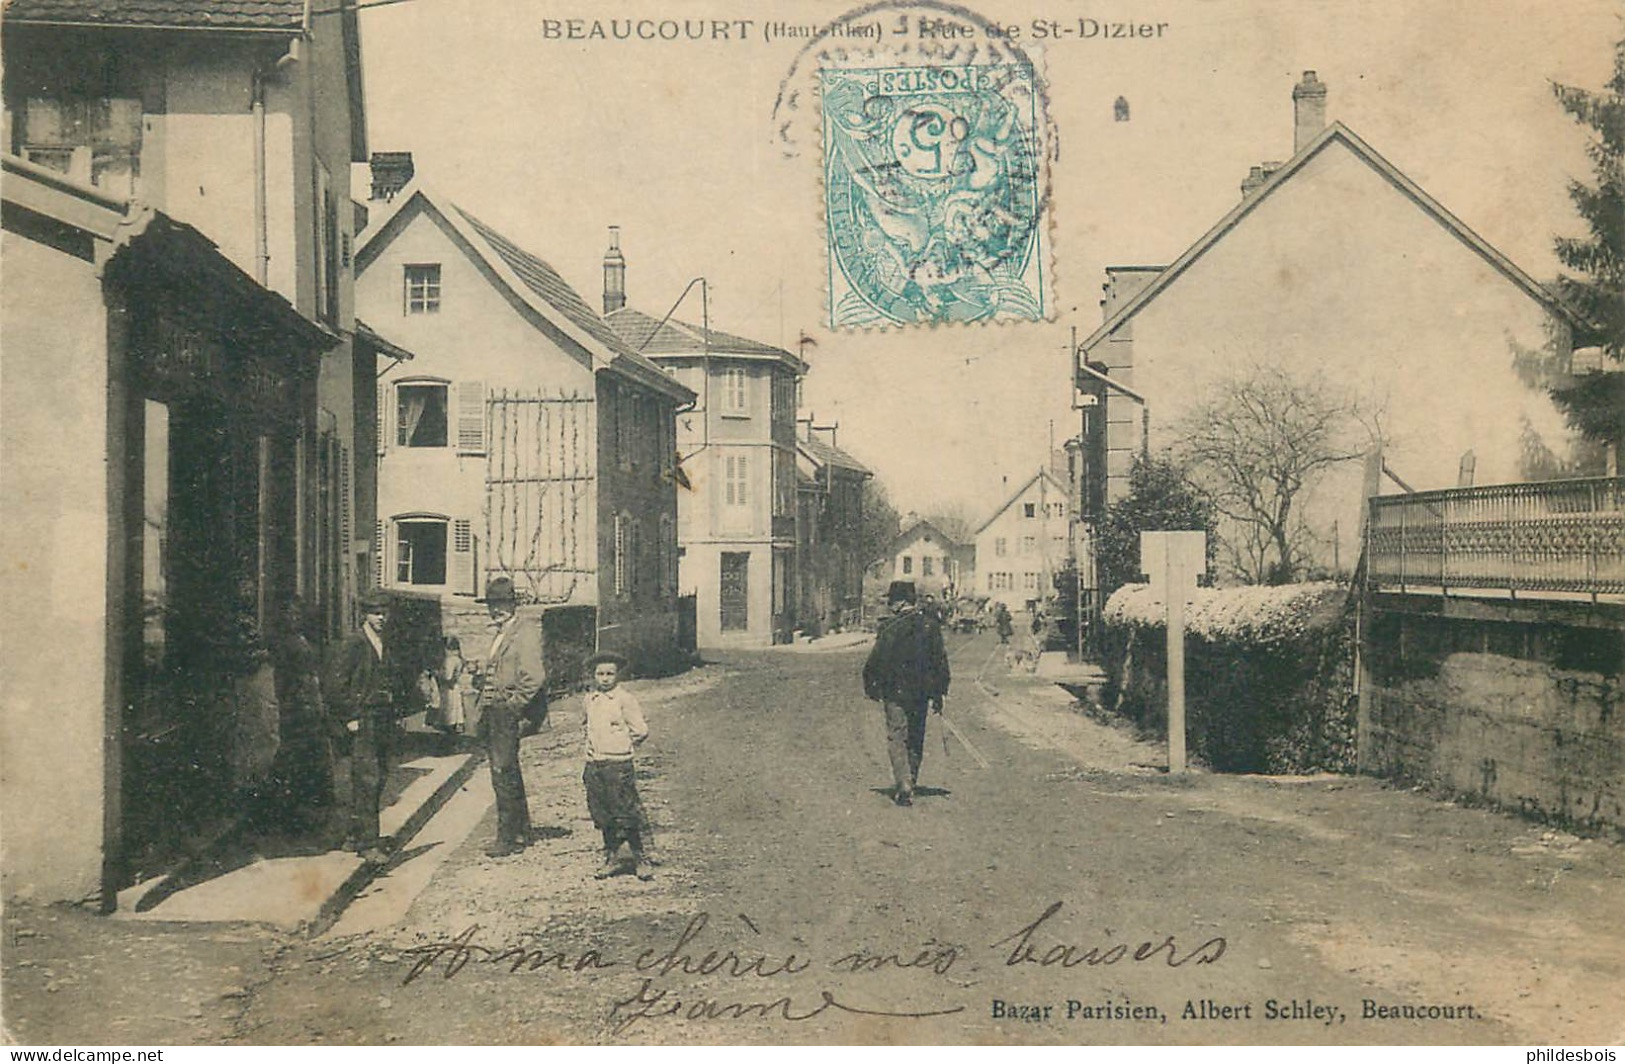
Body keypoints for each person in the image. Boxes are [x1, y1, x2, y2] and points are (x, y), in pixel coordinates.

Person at [475, 575, 548, 858]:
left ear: (513, 604)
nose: (497, 609)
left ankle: (507, 838)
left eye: (503, 603)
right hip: (493, 710)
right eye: (493, 604)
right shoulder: (500, 633)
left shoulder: (524, 632)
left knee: (503, 772)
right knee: (507, 771)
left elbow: (534, 677)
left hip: (506, 711)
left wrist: (514, 706)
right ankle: (521, 831)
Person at [862, 582, 950, 807]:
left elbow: (876, 660)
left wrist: (871, 685)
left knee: (896, 735)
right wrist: (939, 692)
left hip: (894, 692)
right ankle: (911, 778)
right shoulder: (930, 626)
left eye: (892, 601)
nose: (890, 605)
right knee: (915, 736)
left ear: (900, 602)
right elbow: (939, 661)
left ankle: (903, 783)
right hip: (920, 692)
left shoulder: (890, 627)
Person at [324, 589, 395, 861]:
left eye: (385, 613)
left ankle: (354, 836)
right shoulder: (354, 643)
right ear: (365, 614)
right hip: (363, 720)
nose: (381, 618)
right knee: (367, 778)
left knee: (379, 777)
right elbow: (335, 687)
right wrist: (351, 717)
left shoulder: (383, 642)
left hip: (382, 719)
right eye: (376, 613)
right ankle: (368, 845)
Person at [580, 651, 652, 880]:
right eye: (600, 674)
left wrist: (621, 745)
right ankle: (612, 858)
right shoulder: (590, 699)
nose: (605, 678)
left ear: (617, 675)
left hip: (618, 764)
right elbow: (589, 727)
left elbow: (640, 730)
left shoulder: (624, 699)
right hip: (595, 762)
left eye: (610, 673)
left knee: (626, 812)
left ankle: (640, 858)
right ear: (593, 676)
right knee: (602, 813)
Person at [270, 597, 336, 836]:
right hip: (295, 710)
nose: (295, 618)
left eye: (298, 614)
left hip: (312, 708)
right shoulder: (283, 644)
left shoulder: (305, 641)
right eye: (290, 614)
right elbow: (284, 681)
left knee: (312, 762)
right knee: (293, 763)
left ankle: (309, 814)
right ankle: (290, 816)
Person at [429, 635, 467, 734]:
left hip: (448, 687)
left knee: (449, 706)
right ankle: (457, 724)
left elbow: (447, 676)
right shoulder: (458, 659)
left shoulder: (450, 660)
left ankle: (449, 725)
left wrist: (436, 673)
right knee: (456, 705)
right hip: (455, 686)